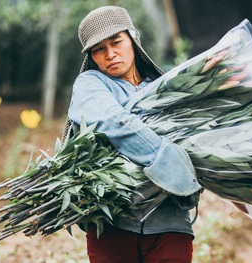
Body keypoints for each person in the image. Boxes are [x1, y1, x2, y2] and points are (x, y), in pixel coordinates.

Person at [64, 6, 202, 263]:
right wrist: (168, 160)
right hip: (112, 225)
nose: (110, 54)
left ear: (133, 39)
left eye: (116, 42)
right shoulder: (91, 84)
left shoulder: (167, 89)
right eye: (98, 49)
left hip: (169, 224)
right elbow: (112, 121)